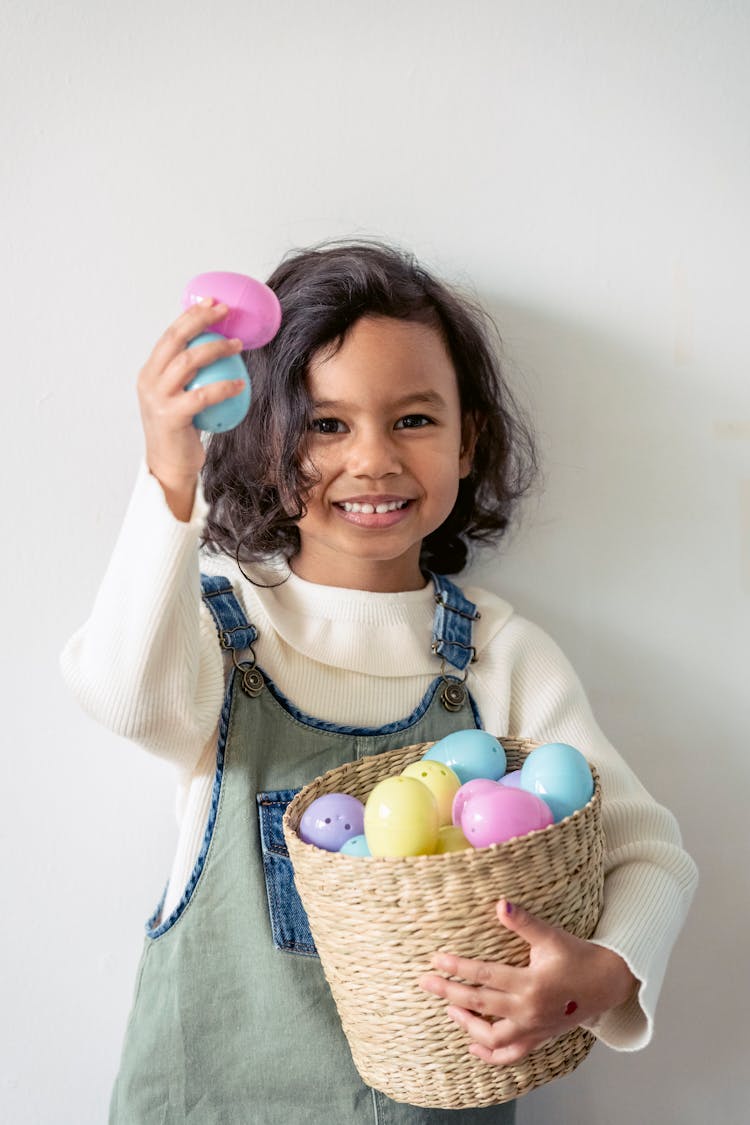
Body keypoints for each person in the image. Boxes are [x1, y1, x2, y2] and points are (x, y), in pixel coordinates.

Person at [61, 240, 698, 1125]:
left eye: (413, 420)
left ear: (468, 438)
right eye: (327, 425)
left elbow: (650, 853)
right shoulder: (217, 632)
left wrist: (598, 975)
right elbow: (121, 693)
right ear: (262, 438)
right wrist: (171, 473)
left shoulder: (499, 658)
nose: (373, 459)